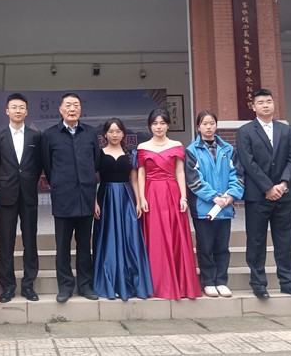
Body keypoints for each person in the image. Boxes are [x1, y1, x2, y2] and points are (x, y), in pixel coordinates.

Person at [236, 89, 291, 299]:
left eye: (268, 101)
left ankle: (288, 282)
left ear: (274, 104)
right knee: (256, 240)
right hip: (257, 196)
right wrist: (268, 187)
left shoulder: (286, 130)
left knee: (284, 240)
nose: (265, 105)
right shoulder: (245, 131)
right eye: (260, 102)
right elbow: (247, 162)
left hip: (284, 195)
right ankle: (258, 283)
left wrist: (282, 184)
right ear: (253, 107)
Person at [137, 108, 201, 300]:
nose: (159, 127)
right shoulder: (142, 146)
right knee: (155, 237)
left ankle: (179, 283)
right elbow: (141, 173)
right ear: (150, 126)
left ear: (168, 125)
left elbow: (180, 172)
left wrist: (183, 197)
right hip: (151, 193)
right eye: (155, 123)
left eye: (162, 123)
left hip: (172, 193)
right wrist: (142, 198)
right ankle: (157, 283)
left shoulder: (176, 145)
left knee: (175, 236)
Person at [42, 93, 100, 303]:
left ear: (80, 109)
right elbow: (47, 166)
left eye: (76, 105)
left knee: (84, 245)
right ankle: (65, 286)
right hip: (63, 198)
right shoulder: (50, 135)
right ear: (60, 109)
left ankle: (85, 285)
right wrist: (59, 183)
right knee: (63, 246)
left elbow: (95, 162)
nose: (72, 109)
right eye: (68, 105)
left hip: (85, 196)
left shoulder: (90, 133)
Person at [185, 111, 244, 298]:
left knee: (222, 247)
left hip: (225, 207)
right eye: (204, 124)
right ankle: (209, 282)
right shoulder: (192, 151)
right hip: (204, 208)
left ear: (216, 125)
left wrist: (231, 196)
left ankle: (221, 281)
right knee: (205, 246)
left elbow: (238, 175)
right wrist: (213, 197)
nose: (208, 127)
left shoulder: (228, 149)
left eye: (212, 123)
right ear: (198, 127)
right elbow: (193, 179)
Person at [93, 118, 153, 300]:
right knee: (108, 239)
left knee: (129, 238)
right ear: (105, 134)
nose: (114, 135)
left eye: (118, 131)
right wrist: (94, 202)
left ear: (123, 134)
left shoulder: (130, 154)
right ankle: (110, 280)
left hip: (127, 198)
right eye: (111, 131)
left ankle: (129, 279)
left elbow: (134, 179)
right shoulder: (98, 154)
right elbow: (93, 179)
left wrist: (138, 200)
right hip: (106, 197)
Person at [0, 93, 42, 303]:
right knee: (6, 241)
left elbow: (39, 165)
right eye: (14, 107)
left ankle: (28, 285)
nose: (18, 111)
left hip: (28, 194)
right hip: (7, 194)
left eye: (21, 107)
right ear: (7, 111)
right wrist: (4, 184)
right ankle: (8, 286)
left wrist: (28, 181)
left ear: (27, 111)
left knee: (30, 240)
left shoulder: (35, 136)